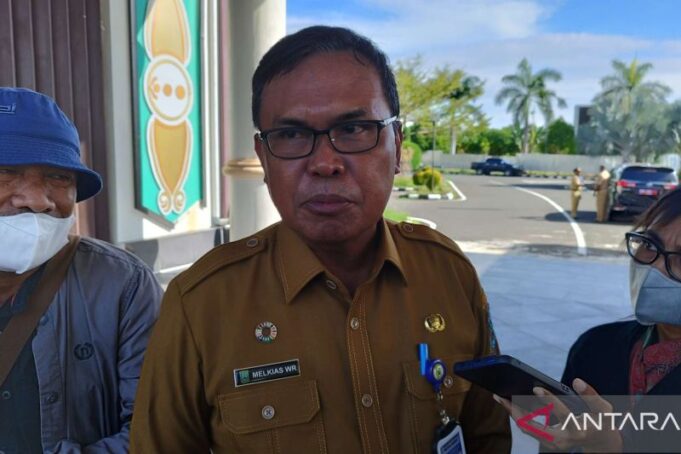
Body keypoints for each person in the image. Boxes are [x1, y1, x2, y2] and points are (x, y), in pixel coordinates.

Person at [130, 26, 511, 453]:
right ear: (263, 158)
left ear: (397, 144)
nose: (325, 163)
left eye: (354, 129)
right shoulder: (202, 304)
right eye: (292, 135)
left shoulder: (448, 274)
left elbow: (488, 437)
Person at [0, 87, 162, 453]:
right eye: (7, 170)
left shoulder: (124, 285)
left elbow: (157, 428)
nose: (38, 200)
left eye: (58, 177)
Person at [497, 188, 681, 452]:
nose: (654, 267)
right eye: (649, 245)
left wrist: (610, 447)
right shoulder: (596, 347)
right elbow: (559, 441)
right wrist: (556, 435)